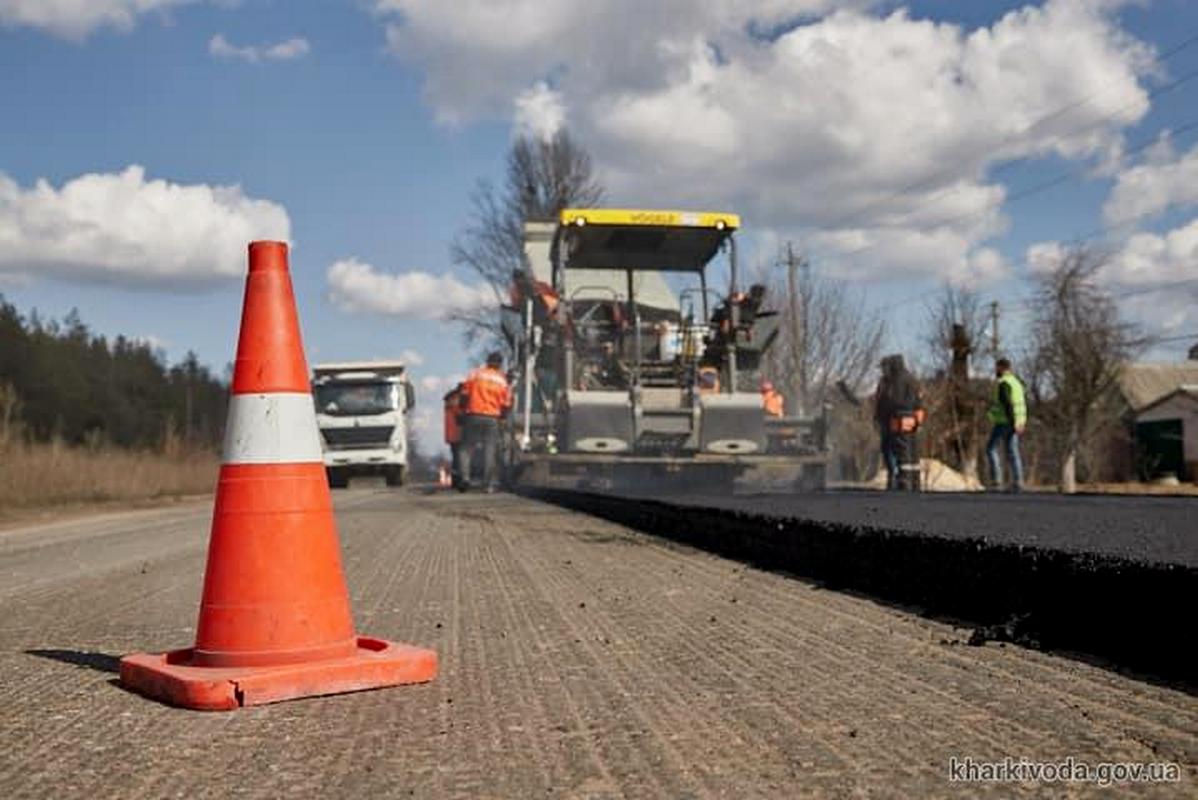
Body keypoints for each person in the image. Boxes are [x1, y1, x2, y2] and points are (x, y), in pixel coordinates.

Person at [458, 352, 512, 493]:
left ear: (487, 361)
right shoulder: (502, 380)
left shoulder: (475, 374)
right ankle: (488, 484)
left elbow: (464, 394)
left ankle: (465, 478)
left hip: (473, 414)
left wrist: (463, 410)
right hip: (492, 417)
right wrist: (502, 418)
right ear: (500, 364)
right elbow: (506, 403)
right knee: (490, 450)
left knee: (466, 448)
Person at [874, 354, 924, 491]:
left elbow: (890, 402)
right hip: (904, 422)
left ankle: (901, 479)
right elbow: (919, 402)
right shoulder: (911, 380)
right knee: (906, 451)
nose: (883, 370)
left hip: (895, 422)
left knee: (899, 450)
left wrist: (881, 417)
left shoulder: (894, 382)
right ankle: (910, 481)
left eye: (884, 367)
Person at [986, 357, 1026, 492]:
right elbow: (1021, 404)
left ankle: (997, 481)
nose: (995, 370)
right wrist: (1020, 422)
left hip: (1005, 422)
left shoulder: (1003, 383)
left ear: (1001, 368)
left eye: (997, 368)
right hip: (1016, 422)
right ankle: (1018, 481)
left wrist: (1013, 422)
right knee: (1012, 451)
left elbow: (1008, 404)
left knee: (990, 448)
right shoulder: (1016, 382)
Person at [442, 383, 464, 489]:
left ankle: (455, 480)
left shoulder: (450, 400)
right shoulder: (456, 400)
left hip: (451, 434)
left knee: (456, 458)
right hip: (458, 433)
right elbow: (460, 415)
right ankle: (458, 480)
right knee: (459, 458)